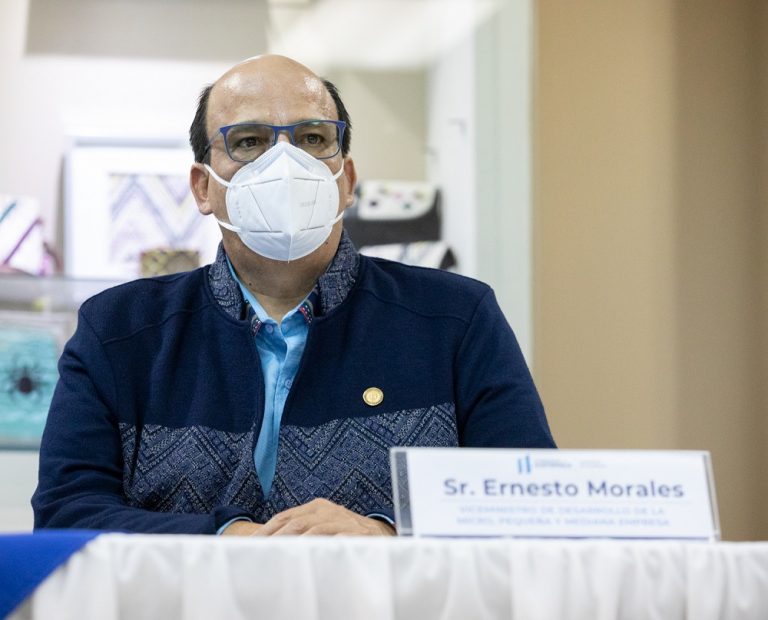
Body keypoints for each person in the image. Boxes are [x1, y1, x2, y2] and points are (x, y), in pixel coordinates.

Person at [32, 55, 555, 536]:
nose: (285, 163)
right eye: (249, 141)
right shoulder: (119, 331)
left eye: (312, 138)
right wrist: (225, 539)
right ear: (202, 187)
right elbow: (66, 515)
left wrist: (388, 536)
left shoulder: (456, 320)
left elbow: (531, 510)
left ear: (346, 179)